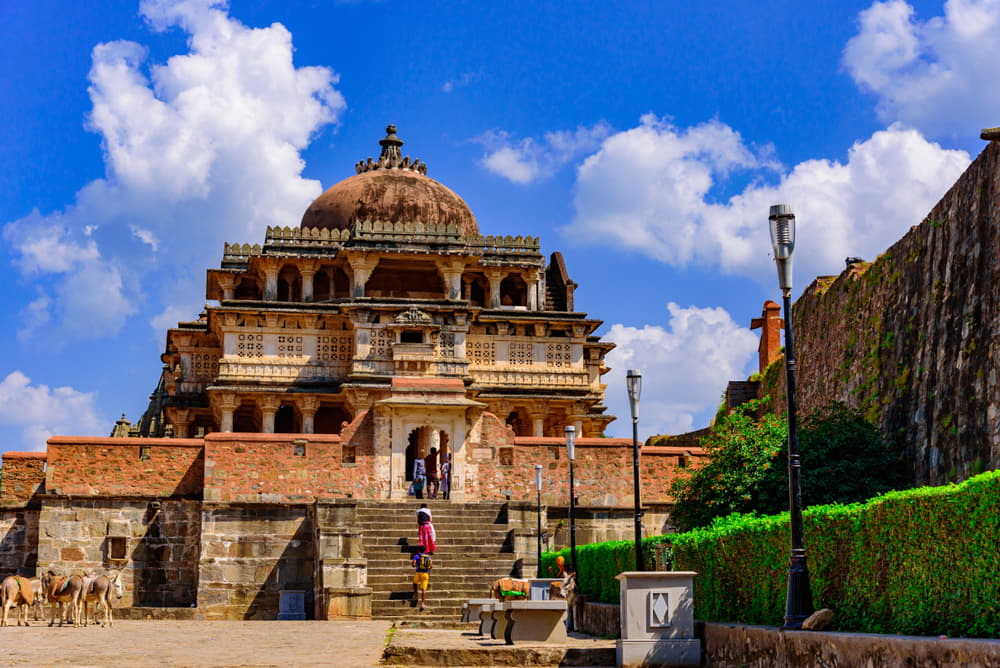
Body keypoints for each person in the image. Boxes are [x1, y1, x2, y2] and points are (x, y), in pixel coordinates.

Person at [411, 543, 433, 611]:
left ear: (419, 550)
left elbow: (413, 565)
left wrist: (415, 564)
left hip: (418, 572)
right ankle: (422, 603)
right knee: (424, 589)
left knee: (415, 583)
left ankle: (416, 596)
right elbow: (431, 566)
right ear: (425, 550)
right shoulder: (429, 557)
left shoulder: (416, 556)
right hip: (425, 573)